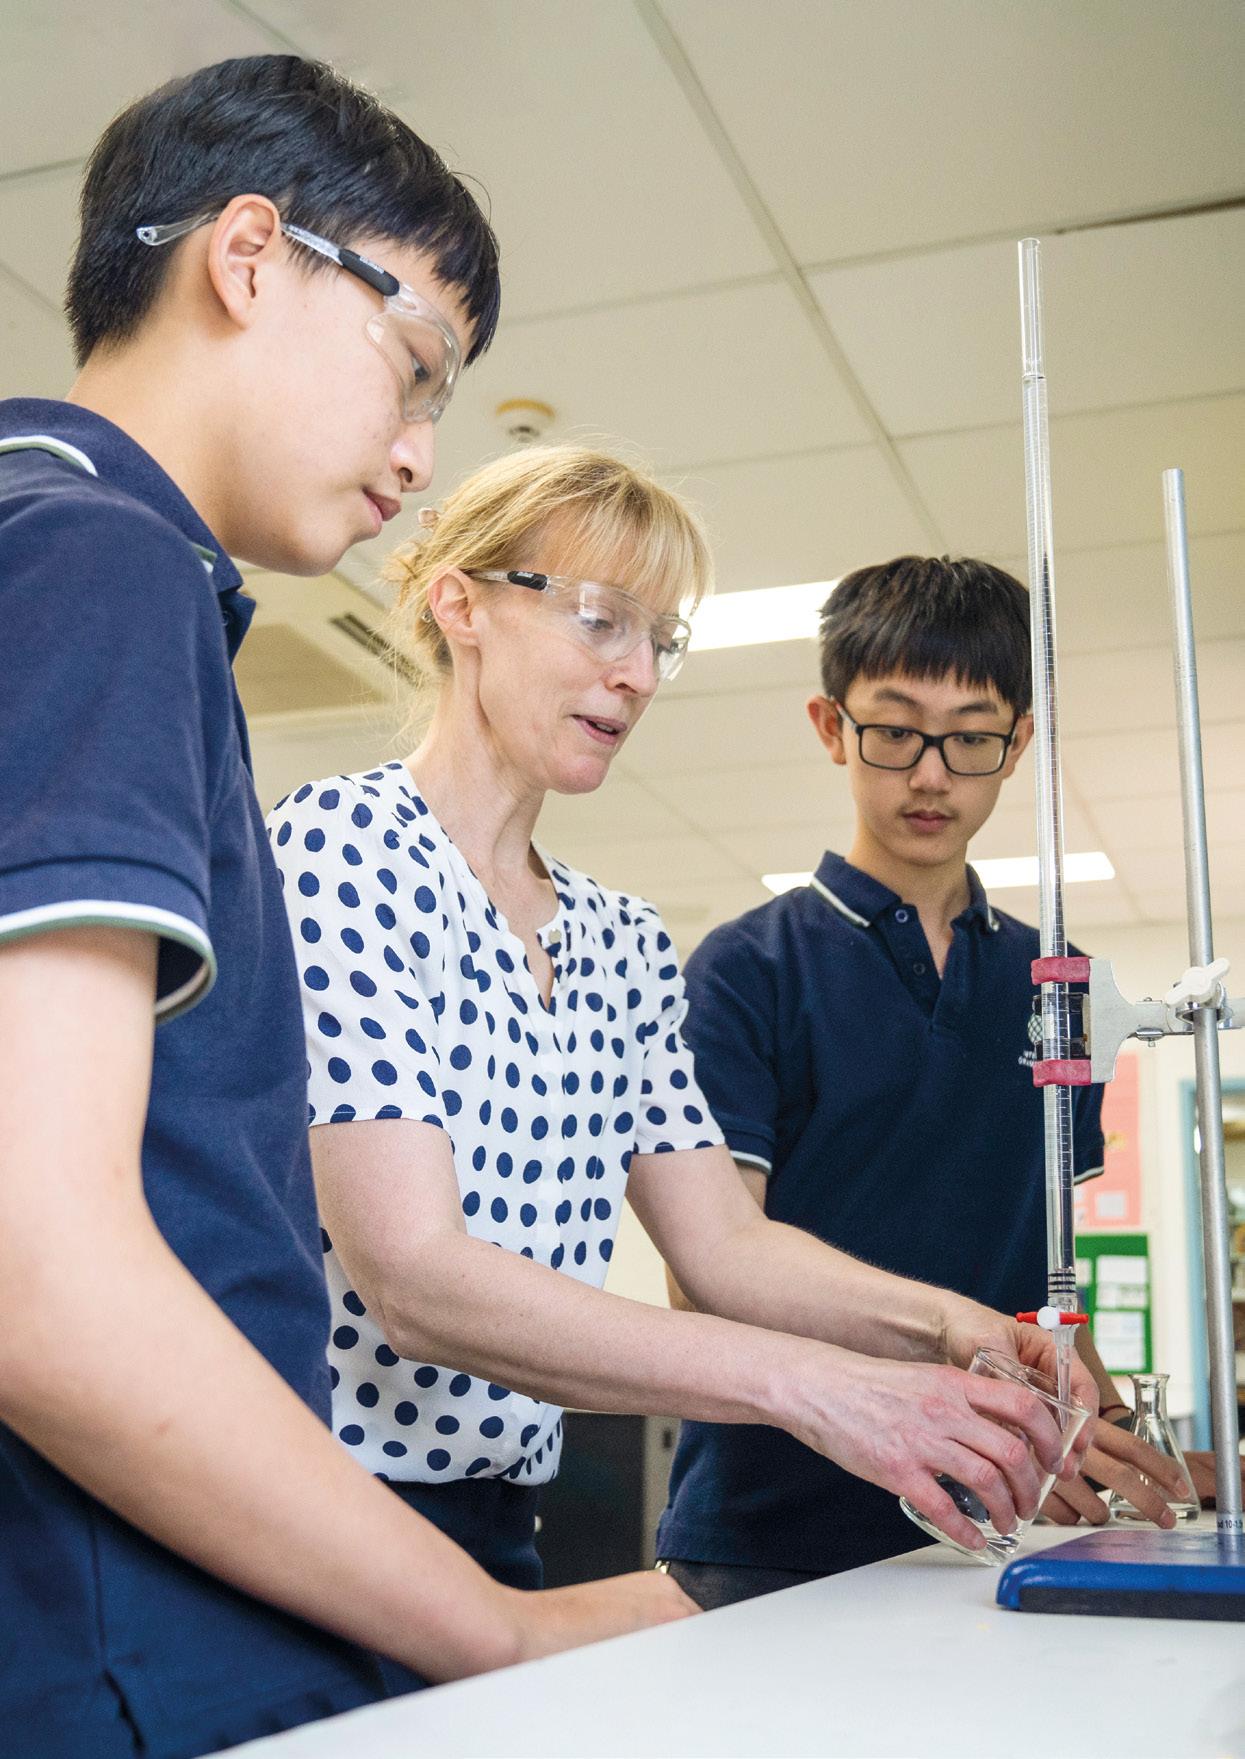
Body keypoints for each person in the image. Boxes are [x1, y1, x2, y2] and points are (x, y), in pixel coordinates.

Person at [0, 56, 695, 1759]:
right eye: (414, 366)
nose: (414, 452)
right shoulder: (103, 563)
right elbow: (36, 1265)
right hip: (129, 1637)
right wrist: (496, 1624)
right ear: (249, 257)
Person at [267, 449, 1097, 1647]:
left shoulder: (622, 940)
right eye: (601, 619)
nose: (639, 673)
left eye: (662, 638)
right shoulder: (347, 849)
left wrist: (956, 1326)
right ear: (460, 604)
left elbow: (726, 1243)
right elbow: (417, 1279)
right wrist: (819, 1387)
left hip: (502, 1520)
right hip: (314, 1511)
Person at [655, 554, 1211, 1610]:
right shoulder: (746, 970)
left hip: (1009, 1523)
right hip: (772, 1532)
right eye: (895, 730)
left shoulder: (1059, 983)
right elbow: (705, 1275)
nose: (930, 774)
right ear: (830, 726)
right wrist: (938, 1337)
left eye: (970, 737)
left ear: (1019, 743)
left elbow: (1051, 1283)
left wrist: (1115, 1439)